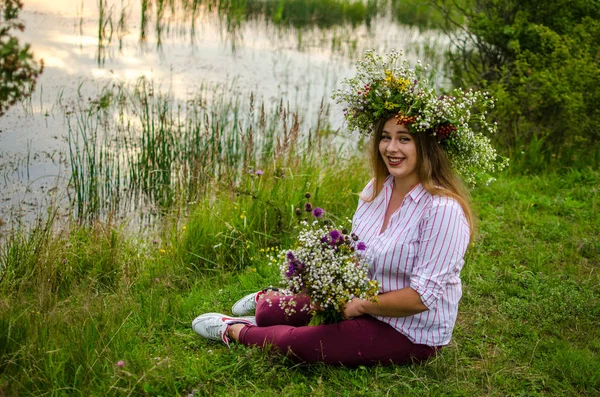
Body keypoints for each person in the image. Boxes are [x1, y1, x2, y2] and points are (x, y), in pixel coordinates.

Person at [191, 50, 505, 366]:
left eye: (404, 139)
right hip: (355, 298)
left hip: (409, 330)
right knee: (269, 312)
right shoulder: (376, 189)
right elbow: (355, 253)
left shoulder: (442, 210)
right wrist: (329, 286)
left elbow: (423, 297)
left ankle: (233, 330)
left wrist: (362, 305)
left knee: (301, 344)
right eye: (385, 137)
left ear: (426, 147)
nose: (391, 148)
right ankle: (265, 300)